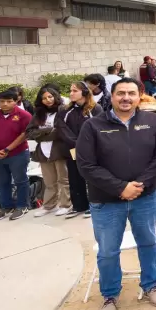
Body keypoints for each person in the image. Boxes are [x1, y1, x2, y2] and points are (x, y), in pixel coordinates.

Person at [77, 77, 156, 310]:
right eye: (121, 93)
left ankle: (150, 284)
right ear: (112, 96)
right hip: (106, 201)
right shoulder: (93, 126)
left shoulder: (152, 122)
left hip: (144, 196)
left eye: (131, 93)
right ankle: (109, 295)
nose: (126, 98)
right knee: (108, 251)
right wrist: (120, 188)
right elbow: (85, 165)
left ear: (139, 96)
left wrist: (138, 184)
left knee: (148, 242)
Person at [0, 89, 32, 222]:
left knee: (20, 180)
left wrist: (7, 149)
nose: (5, 104)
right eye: (2, 101)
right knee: (2, 182)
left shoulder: (24, 115)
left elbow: (24, 134)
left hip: (17, 154)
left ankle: (22, 206)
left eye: (9, 101)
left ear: (16, 101)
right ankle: (6, 206)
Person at [56, 82, 102, 219]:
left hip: (92, 149)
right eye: (70, 90)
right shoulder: (65, 110)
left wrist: (86, 145)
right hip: (73, 150)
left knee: (92, 178)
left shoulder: (95, 109)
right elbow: (61, 128)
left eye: (74, 91)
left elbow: (98, 128)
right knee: (75, 178)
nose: (71, 93)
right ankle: (79, 205)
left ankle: (95, 204)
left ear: (85, 92)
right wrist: (77, 144)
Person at [27, 86, 72, 217]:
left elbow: (61, 132)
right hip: (43, 152)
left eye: (50, 97)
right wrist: (47, 131)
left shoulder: (63, 110)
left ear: (56, 96)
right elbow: (30, 132)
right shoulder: (39, 114)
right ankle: (49, 206)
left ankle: (66, 204)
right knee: (49, 181)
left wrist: (42, 134)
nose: (48, 100)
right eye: (44, 98)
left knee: (64, 180)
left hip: (59, 150)